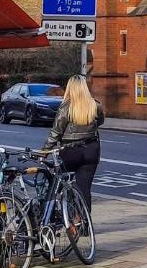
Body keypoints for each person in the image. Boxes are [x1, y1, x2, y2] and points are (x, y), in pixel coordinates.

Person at [44, 74, 104, 213]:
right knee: (84, 188)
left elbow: (56, 132)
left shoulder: (66, 107)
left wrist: (45, 151)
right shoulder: (95, 105)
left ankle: (64, 216)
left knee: (59, 184)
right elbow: (100, 122)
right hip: (91, 150)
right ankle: (84, 223)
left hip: (70, 151)